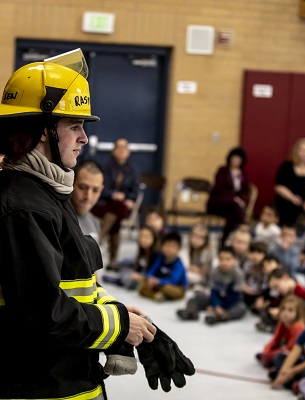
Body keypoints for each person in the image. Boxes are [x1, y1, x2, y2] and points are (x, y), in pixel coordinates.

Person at [0, 50, 195, 399]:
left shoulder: (48, 193)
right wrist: (118, 326)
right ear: (42, 131)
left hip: (66, 377)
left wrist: (119, 313)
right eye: (74, 126)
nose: (84, 138)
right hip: (43, 386)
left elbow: (74, 283)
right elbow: (43, 312)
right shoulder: (23, 207)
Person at [92, 137, 140, 269]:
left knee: (119, 207)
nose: (122, 150)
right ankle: (113, 259)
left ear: (129, 151)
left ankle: (99, 239)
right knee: (117, 213)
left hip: (121, 206)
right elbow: (101, 188)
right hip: (104, 203)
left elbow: (135, 191)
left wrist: (127, 198)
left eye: (125, 147)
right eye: (119, 147)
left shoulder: (133, 170)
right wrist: (113, 195)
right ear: (113, 151)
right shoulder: (105, 167)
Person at [176, 246, 247, 325]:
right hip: (216, 298)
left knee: (242, 308)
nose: (224, 262)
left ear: (234, 259)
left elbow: (235, 295)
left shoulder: (238, 274)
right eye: (221, 259)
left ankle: (221, 317)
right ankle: (191, 312)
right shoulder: (215, 271)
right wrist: (216, 304)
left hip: (231, 301)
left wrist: (219, 307)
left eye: (228, 259)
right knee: (194, 299)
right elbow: (213, 291)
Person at [274, 138, 305, 225]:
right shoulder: (286, 166)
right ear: (296, 151)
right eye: (303, 151)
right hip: (289, 201)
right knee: (286, 209)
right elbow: (279, 186)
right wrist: (292, 198)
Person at [207, 146, 250, 245]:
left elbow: (245, 191)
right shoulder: (222, 171)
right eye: (234, 157)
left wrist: (240, 200)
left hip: (232, 208)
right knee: (235, 206)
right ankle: (243, 227)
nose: (236, 160)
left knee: (232, 214)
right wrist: (234, 199)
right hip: (218, 203)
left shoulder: (243, 173)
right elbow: (219, 188)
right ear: (230, 158)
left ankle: (223, 240)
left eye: (239, 158)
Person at [256, 295, 305, 370]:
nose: (285, 313)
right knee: (264, 354)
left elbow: (291, 348)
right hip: (286, 350)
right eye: (283, 309)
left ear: (298, 313)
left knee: (278, 358)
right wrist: (266, 351)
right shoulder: (283, 323)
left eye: (290, 310)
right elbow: (275, 340)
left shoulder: (298, 327)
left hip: (298, 355)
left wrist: (271, 354)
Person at [107, 225, 159, 290]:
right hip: (139, 274)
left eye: (147, 237)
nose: (143, 239)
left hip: (149, 279)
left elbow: (154, 274)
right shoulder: (142, 252)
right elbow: (137, 267)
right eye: (141, 236)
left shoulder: (157, 255)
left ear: (154, 238)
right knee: (125, 266)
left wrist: (140, 277)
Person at [139, 231, 187, 302]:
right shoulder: (160, 258)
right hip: (158, 283)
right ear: (162, 246)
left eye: (173, 246)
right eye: (167, 245)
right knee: (143, 282)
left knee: (167, 289)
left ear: (179, 248)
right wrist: (150, 278)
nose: (169, 249)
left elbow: (174, 280)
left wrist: (159, 281)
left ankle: (156, 294)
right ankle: (156, 295)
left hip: (175, 287)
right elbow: (151, 270)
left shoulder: (178, 264)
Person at [70, 160, 104, 243]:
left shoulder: (95, 223)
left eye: (95, 190)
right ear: (71, 184)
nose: (88, 196)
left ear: (101, 191)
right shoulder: (57, 220)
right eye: (83, 187)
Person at [180, 222, 212, 289]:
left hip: (203, 278)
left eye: (200, 238)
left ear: (205, 240)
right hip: (193, 272)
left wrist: (190, 268)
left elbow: (203, 271)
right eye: (194, 236)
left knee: (184, 275)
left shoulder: (205, 252)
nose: (196, 240)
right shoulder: (191, 248)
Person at [242, 241, 267, 312]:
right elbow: (242, 279)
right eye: (252, 252)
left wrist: (261, 296)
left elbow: (265, 286)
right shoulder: (247, 264)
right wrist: (244, 286)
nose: (255, 256)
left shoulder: (265, 268)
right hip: (247, 292)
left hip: (259, 294)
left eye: (259, 253)